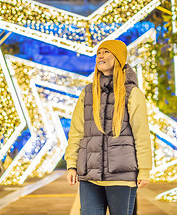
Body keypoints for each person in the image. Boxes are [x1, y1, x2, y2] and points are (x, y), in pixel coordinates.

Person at [65, 39, 152, 215]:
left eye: (106, 52)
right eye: (99, 53)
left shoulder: (132, 93)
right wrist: (71, 165)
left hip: (121, 176)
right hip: (90, 176)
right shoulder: (88, 93)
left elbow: (141, 134)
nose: (101, 55)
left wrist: (144, 170)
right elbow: (77, 132)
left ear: (118, 58)